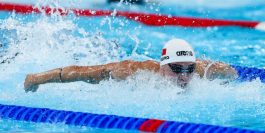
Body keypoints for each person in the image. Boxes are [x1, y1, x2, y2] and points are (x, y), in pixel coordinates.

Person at [24, 39, 238, 92]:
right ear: (163, 67)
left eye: (188, 69)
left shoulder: (200, 70)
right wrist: (36, 79)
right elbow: (79, 72)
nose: (184, 76)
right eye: (177, 69)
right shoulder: (133, 71)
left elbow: (230, 72)